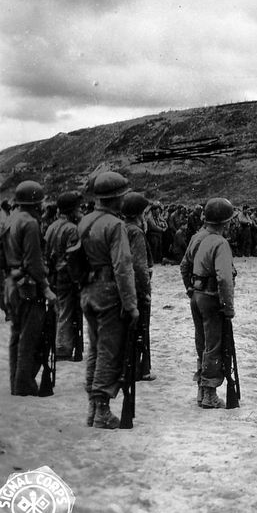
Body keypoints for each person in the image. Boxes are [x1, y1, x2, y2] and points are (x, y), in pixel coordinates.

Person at [80, 171, 139, 429]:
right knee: (109, 349)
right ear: (116, 198)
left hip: (88, 291)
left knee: (95, 347)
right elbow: (123, 267)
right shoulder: (115, 225)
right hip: (108, 292)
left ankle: (93, 408)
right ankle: (102, 409)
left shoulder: (85, 221)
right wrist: (131, 304)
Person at [1, 181, 57, 395]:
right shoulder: (31, 223)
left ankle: (17, 381)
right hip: (28, 286)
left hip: (11, 285)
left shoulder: (10, 220)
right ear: (36, 203)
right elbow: (34, 262)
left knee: (16, 335)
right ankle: (25, 383)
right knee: (29, 336)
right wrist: (46, 288)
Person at [180, 197, 236, 409]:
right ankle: (210, 394)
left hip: (197, 295)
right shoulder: (220, 243)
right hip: (212, 298)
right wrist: (228, 307)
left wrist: (190, 288)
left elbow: (184, 266)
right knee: (214, 345)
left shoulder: (197, 237)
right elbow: (224, 278)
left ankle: (202, 390)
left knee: (202, 343)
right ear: (224, 221)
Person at [44, 191, 84, 361]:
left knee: (58, 310)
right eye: (77, 208)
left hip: (52, 275)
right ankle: (63, 347)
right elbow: (72, 258)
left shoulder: (51, 226)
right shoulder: (72, 229)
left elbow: (45, 253)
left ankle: (57, 344)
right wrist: (77, 279)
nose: (80, 210)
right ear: (72, 210)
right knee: (66, 312)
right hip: (66, 276)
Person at [121, 192, 156, 382]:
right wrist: (146, 292)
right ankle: (141, 369)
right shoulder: (136, 232)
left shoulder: (121, 228)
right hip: (136, 288)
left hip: (123, 286)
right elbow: (140, 266)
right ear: (138, 214)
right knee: (141, 329)